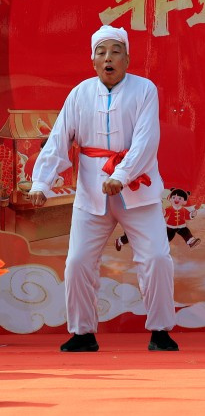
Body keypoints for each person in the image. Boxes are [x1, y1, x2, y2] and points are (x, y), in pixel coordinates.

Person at [27, 25, 178, 352]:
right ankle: (83, 333)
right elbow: (59, 139)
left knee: (156, 258)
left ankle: (160, 331)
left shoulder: (144, 89)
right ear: (93, 60)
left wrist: (121, 175)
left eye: (115, 52)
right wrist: (42, 182)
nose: (108, 58)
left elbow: (146, 141)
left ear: (127, 59)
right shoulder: (79, 94)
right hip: (91, 192)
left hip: (137, 191)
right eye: (102, 52)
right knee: (78, 261)